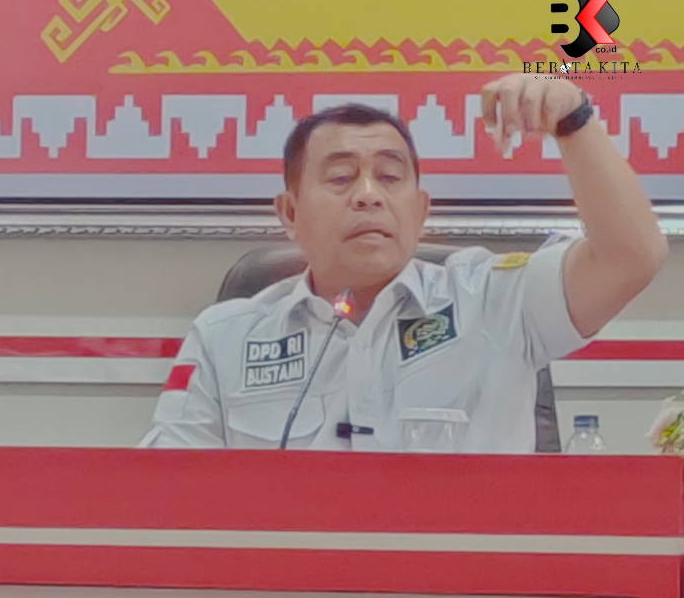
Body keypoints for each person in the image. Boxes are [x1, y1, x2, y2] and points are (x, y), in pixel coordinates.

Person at [141, 74, 668, 451]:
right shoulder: (224, 339)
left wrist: (574, 121)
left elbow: (632, 257)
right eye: (341, 177)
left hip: (463, 578)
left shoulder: (498, 301)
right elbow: (166, 490)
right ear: (290, 212)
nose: (369, 195)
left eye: (390, 178)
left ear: (420, 210)